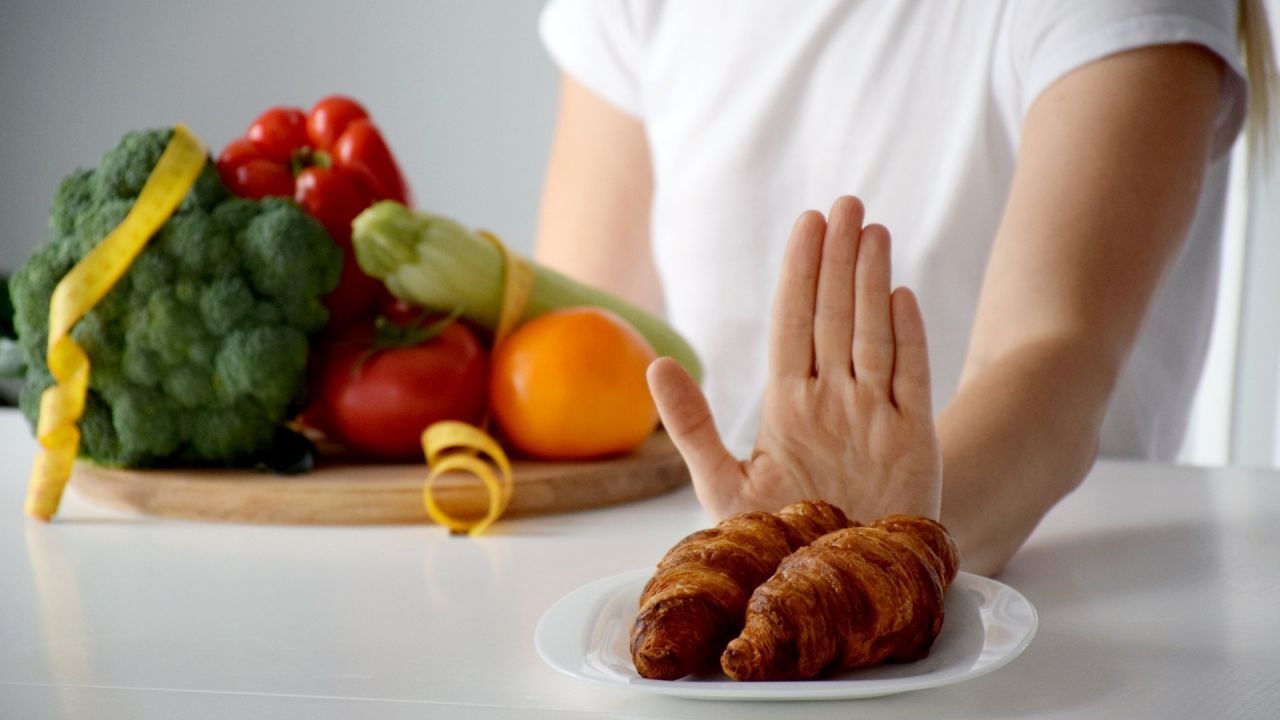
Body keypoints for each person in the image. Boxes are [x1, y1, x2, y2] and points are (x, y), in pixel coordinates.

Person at [533, 0, 1275, 575]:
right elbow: (575, 359)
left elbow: (1053, 357)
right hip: (744, 607)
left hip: (1058, 633)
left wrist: (874, 542)